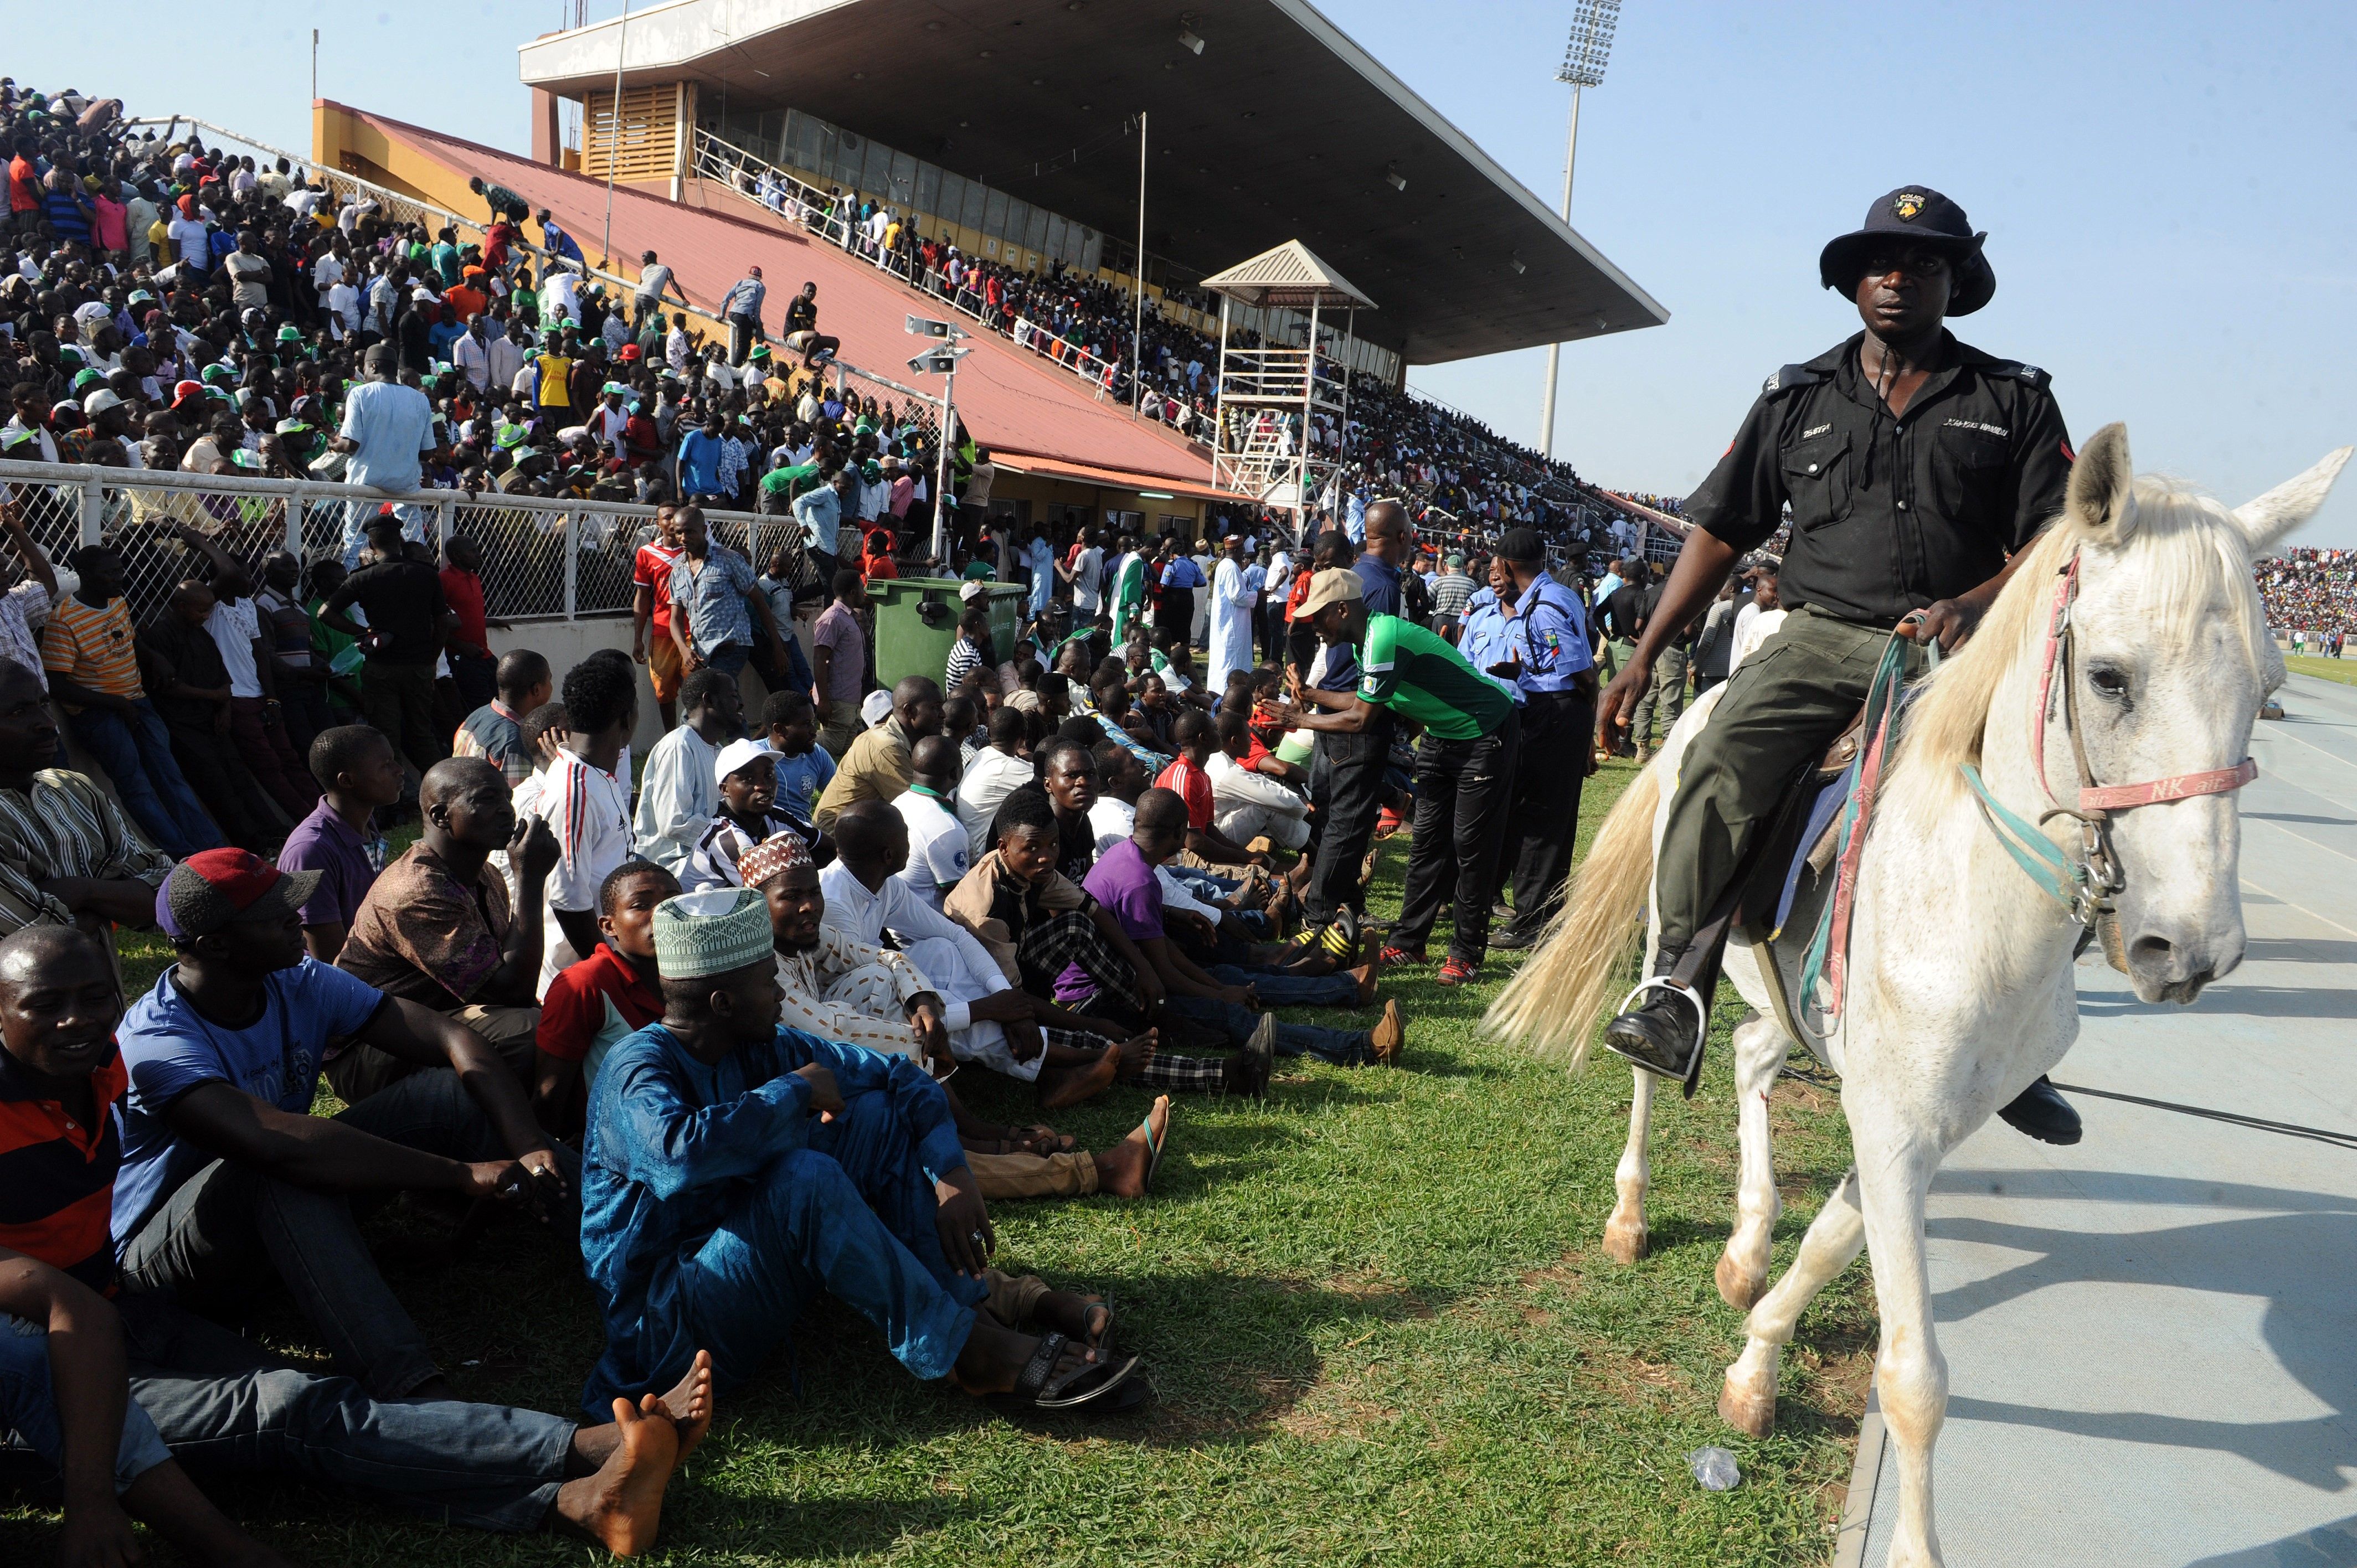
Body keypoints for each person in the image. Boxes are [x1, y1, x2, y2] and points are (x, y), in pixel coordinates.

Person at [1592, 186, 2081, 1145]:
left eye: (1924, 264)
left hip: (1961, 648)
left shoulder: (2013, 396)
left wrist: (1973, 606)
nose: (1899, 278)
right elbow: (1723, 529)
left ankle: (2025, 1044)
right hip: (1821, 637)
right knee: (1720, 763)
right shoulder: (1796, 396)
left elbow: (2055, 532)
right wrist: (1643, 657)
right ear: (1852, 282)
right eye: (1881, 263)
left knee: (2046, 804)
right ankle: (1676, 986)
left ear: (1954, 284)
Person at [0, 925, 706, 1561]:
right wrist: (98, 1502)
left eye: (95, 997)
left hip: (119, 1310)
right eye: (44, 1004)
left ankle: (576, 1499)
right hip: (26, 1380)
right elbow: (65, 1313)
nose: (77, 1020)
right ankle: (582, 1449)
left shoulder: (97, 1068)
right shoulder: (127, 1051)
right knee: (284, 1409)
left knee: (310, 1404)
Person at [577, 886, 1143, 1414]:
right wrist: (793, 1091)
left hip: (741, 1270)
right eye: (767, 983)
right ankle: (968, 1350)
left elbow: (902, 1077)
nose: (780, 995)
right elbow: (677, 1158)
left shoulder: (762, 1044)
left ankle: (967, 1309)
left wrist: (951, 1174)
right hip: (669, 1326)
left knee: (873, 1114)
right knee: (805, 1176)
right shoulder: (637, 1069)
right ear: (722, 1003)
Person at [112, 850, 574, 1402]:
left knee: (444, 1092)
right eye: (276, 914)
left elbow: (454, 1039)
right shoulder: (155, 1043)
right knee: (277, 1165)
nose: (297, 919)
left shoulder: (297, 979)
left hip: (275, 1211)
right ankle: (411, 1389)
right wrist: (458, 1174)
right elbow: (276, 1145)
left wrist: (525, 1144)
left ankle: (630, 1241)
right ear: (215, 944)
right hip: (170, 1264)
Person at [747, 829, 1168, 1198]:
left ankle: (988, 1127)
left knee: (898, 980)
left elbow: (889, 958)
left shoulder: (808, 935)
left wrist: (926, 1004)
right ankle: (1087, 1163)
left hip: (842, 1086)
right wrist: (931, 1038)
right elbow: (832, 1032)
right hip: (821, 1111)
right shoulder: (763, 969)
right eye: (791, 897)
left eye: (811, 893)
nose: (807, 907)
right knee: (921, 1145)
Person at [1293, 566, 1520, 988]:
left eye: (1318, 616)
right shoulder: (1368, 642)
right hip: (1441, 737)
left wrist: (1300, 718)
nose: (1314, 626)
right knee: (1428, 842)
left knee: (1470, 846)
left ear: (1342, 610)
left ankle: (1466, 952)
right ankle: (1410, 940)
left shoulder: (1383, 636)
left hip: (1484, 732)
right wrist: (1311, 696)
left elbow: (1360, 719)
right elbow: (1368, 698)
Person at [1072, 789, 1401, 1068]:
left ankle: (1344, 986)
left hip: (1127, 977)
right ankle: (1362, 1047)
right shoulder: (1139, 880)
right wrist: (1219, 995)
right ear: (1178, 832)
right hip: (1104, 999)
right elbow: (1165, 970)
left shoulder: (1124, 855)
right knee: (1231, 1016)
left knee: (1228, 975)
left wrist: (1216, 982)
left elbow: (1162, 952)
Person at [332, 756, 562, 1090]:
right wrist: (529, 879)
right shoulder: (416, 891)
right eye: (487, 799)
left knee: (565, 1018)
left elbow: (509, 983)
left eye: (506, 799)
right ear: (441, 816)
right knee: (528, 1032)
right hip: (369, 1050)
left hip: (436, 1022)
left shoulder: (486, 875)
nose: (507, 810)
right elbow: (513, 990)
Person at [40, 545, 220, 859]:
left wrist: (153, 657)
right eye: (109, 573)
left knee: (171, 779)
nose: (118, 578)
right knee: (137, 787)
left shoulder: (117, 602)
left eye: (119, 570)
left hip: (137, 702)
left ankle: (214, 851)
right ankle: (184, 856)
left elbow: (129, 639)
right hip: (100, 715)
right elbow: (56, 684)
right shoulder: (64, 621)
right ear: (84, 576)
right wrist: (115, 704)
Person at [1471, 528, 1598, 951]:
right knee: (1546, 819)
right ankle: (1545, 916)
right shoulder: (1549, 597)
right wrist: (1521, 674)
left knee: (1541, 821)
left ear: (1507, 566)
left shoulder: (1544, 607)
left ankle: (1531, 922)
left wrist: (1586, 740)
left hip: (1556, 714)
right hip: (1551, 710)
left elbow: (1582, 676)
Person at [0, 661, 172, 955]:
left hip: (104, 996)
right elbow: (31, 944)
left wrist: (83, 890)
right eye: (19, 712)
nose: (48, 722)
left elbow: (166, 894)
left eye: (44, 704)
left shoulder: (75, 789)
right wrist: (115, 902)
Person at [137, 578, 286, 852]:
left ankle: (273, 835)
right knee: (218, 789)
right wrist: (214, 698)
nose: (206, 616)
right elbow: (168, 687)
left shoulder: (202, 635)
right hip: (185, 726)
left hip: (214, 720)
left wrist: (224, 707)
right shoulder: (160, 636)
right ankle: (249, 846)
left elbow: (222, 675)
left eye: (208, 611)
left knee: (240, 779)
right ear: (181, 607)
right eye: (201, 611)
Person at [536, 860, 679, 1137]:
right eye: (641, 905)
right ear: (609, 926)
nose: (663, 914)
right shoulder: (584, 984)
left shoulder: (692, 975)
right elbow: (549, 1098)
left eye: (673, 901)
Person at [533, 655, 639, 996]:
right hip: (582, 976)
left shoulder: (596, 772)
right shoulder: (574, 792)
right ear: (627, 718)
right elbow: (569, 903)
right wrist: (616, 976)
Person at [320, 514, 450, 777]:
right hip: (419, 666)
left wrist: (363, 632)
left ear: (370, 543)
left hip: (381, 667)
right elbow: (443, 621)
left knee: (386, 736)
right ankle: (442, 789)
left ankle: (392, 800)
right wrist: (432, 658)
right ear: (401, 540)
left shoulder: (362, 578)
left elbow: (325, 613)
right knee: (422, 732)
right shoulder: (426, 574)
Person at [280, 723, 405, 963]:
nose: (399, 770)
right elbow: (330, 960)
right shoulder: (311, 850)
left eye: (394, 761)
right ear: (347, 781)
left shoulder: (364, 825)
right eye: (385, 765)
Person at [329, 343, 438, 565]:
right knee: (414, 540)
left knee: (355, 541)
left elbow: (351, 445)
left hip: (366, 480)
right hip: (406, 481)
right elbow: (427, 453)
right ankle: (420, 581)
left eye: (365, 368)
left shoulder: (360, 393)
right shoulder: (420, 399)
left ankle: (353, 593)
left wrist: (334, 445)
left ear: (374, 366)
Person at [635, 667, 744, 874]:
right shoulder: (679, 746)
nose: (740, 703)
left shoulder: (718, 751)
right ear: (709, 701)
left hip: (705, 856)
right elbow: (674, 824)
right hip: (669, 866)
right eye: (733, 696)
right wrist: (731, 837)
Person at [683, 737, 826, 891]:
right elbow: (772, 892)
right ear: (725, 789)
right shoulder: (726, 838)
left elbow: (828, 847)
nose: (763, 786)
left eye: (769, 775)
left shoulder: (775, 817)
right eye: (748, 779)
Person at [669, 504, 787, 679]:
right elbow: (675, 618)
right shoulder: (677, 571)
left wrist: (778, 647)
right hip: (700, 652)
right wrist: (684, 650)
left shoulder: (729, 560)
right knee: (710, 700)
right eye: (679, 533)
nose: (684, 538)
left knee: (715, 692)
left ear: (704, 530)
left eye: (690, 532)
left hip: (731, 647)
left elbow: (760, 603)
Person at [814, 674, 940, 830]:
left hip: (860, 827)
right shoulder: (887, 747)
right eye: (935, 708)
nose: (943, 714)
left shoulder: (898, 739)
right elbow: (921, 808)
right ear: (909, 711)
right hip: (839, 835)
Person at [455, 648, 555, 785]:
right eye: (549, 680)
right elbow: (518, 803)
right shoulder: (514, 745)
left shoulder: (476, 717)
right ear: (536, 690)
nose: (551, 687)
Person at [894, 734, 970, 911]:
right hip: (929, 933)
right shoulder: (948, 829)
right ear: (955, 773)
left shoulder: (898, 803)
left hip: (893, 924)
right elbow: (961, 901)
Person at [631, 503, 687, 730]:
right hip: (663, 631)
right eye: (667, 518)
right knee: (664, 691)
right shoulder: (646, 553)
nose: (672, 522)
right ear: (658, 524)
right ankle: (671, 737)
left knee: (695, 685)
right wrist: (638, 639)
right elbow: (642, 596)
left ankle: (697, 737)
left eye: (676, 517)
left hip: (694, 631)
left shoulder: (693, 550)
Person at [954, 704, 1034, 860]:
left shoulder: (983, 754)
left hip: (970, 847)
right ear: (1024, 735)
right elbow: (1048, 782)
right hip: (981, 858)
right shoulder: (1006, 768)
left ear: (989, 733)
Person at [811, 569, 868, 759]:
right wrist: (825, 701)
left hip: (850, 697)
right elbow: (820, 659)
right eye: (861, 587)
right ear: (853, 592)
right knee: (832, 745)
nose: (864, 591)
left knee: (846, 747)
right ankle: (794, 744)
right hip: (836, 698)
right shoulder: (832, 618)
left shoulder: (849, 617)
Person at [440, 534, 500, 713]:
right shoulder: (445, 579)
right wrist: (461, 646)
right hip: (462, 658)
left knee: (499, 703)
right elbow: (436, 621)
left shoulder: (475, 578)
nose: (478, 555)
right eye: (472, 551)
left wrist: (492, 622)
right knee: (479, 709)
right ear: (457, 555)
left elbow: (468, 614)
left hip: (484, 655)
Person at [759, 689, 837, 823]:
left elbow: (839, 796)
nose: (814, 731)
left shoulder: (817, 754)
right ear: (780, 730)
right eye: (806, 724)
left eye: (813, 723)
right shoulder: (755, 758)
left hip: (807, 835)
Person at [1206, 535, 1257, 695]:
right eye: (1242, 549)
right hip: (1232, 624)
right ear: (1236, 550)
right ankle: (1227, 695)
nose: (1244, 552)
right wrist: (1257, 595)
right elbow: (1237, 596)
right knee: (1231, 661)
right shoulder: (1231, 568)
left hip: (1229, 621)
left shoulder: (1226, 565)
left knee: (1225, 659)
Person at [719, 265, 766, 365]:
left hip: (733, 313)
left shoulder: (740, 283)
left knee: (745, 337)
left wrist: (722, 314)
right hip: (744, 316)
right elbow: (757, 308)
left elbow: (726, 298)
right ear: (760, 278)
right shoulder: (760, 287)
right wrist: (758, 324)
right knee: (743, 346)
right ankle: (735, 369)